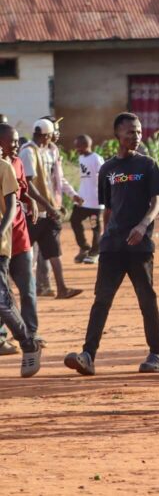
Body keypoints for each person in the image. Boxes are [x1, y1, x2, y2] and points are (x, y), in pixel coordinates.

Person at [64, 113, 159, 376]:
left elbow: (156, 203)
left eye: (139, 131)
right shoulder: (107, 169)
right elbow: (108, 209)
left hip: (140, 245)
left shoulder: (148, 165)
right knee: (102, 300)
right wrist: (104, 238)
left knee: (147, 299)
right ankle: (87, 355)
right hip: (112, 246)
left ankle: (155, 355)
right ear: (117, 135)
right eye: (131, 132)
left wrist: (143, 226)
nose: (136, 136)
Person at [20, 118, 81, 300]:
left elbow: (54, 180)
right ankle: (27, 292)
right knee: (26, 254)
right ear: (44, 135)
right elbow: (28, 185)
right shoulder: (28, 152)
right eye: (50, 135)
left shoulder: (50, 151)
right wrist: (48, 205)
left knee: (54, 251)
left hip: (49, 211)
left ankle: (61, 288)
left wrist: (59, 201)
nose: (52, 138)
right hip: (32, 212)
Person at [0, 150, 42, 378]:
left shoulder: (4, 167)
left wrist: (1, 232)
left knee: (2, 302)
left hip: (1, 247)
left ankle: (28, 343)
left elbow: (12, 206)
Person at [70, 135, 103, 265]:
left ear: (86, 145)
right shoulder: (81, 158)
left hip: (95, 202)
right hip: (82, 200)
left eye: (78, 146)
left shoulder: (96, 158)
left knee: (95, 226)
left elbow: (104, 176)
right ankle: (84, 247)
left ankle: (95, 253)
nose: (76, 148)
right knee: (74, 220)